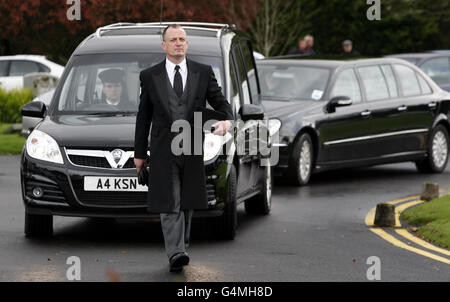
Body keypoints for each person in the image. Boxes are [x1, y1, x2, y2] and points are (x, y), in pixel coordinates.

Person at [133, 24, 233, 273]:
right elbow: (143, 116)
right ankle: (176, 252)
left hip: (191, 145)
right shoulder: (150, 75)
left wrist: (227, 121)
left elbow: (221, 103)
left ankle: (182, 245)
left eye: (182, 39)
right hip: (162, 148)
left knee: (187, 201)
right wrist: (139, 154)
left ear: (187, 44)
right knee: (171, 200)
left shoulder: (203, 71)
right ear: (164, 45)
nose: (178, 43)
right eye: (173, 39)